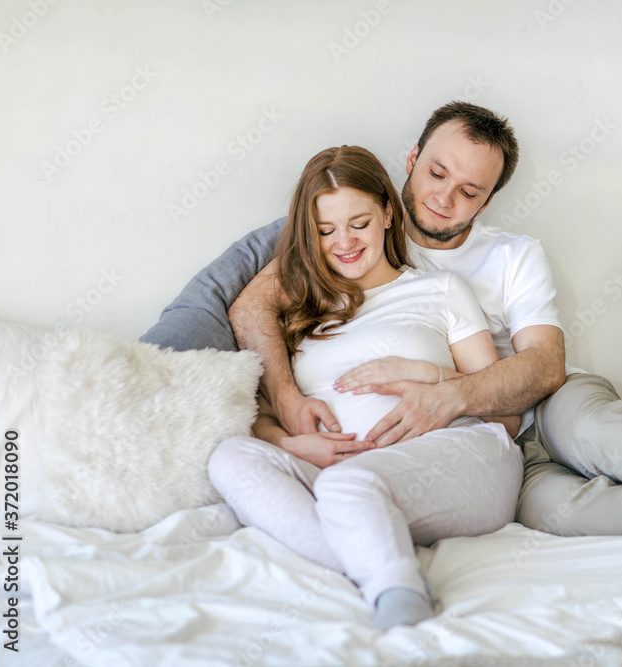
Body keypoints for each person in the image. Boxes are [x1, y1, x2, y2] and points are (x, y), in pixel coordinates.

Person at [147, 102, 622, 582]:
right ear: (410, 164)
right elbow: (251, 298)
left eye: (469, 189)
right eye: (436, 172)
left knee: (599, 426)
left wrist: (449, 393)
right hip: (474, 448)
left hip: (537, 397)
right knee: (562, 516)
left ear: (491, 197)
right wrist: (282, 399)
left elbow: (542, 365)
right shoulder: (356, 232)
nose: (445, 197)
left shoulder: (511, 256)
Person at [206, 145, 524, 629]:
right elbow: (265, 418)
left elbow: (506, 411)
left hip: (462, 455)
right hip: (344, 473)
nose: (344, 242)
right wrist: (292, 443)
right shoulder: (302, 313)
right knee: (228, 457)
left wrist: (426, 374)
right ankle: (369, 557)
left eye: (359, 223)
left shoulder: (439, 291)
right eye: (325, 230)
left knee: (348, 486)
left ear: (389, 215)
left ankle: (400, 601)